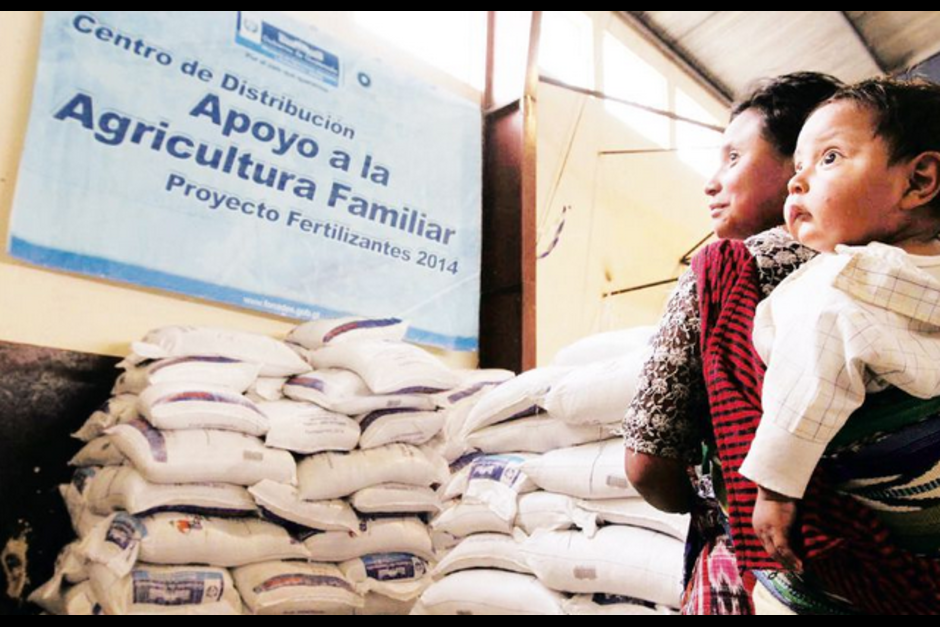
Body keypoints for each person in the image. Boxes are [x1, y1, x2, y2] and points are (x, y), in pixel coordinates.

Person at [619, 71, 844, 614]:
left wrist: (712, 501)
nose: (711, 182)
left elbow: (646, 466)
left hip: (767, 574)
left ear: (800, 167)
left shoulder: (723, 273)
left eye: (734, 158)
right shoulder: (901, 269)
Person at [740, 78, 940, 573]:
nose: (797, 182)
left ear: (919, 181)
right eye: (798, 167)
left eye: (829, 158)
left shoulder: (835, 285)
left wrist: (775, 488)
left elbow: (805, 384)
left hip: (883, 499)